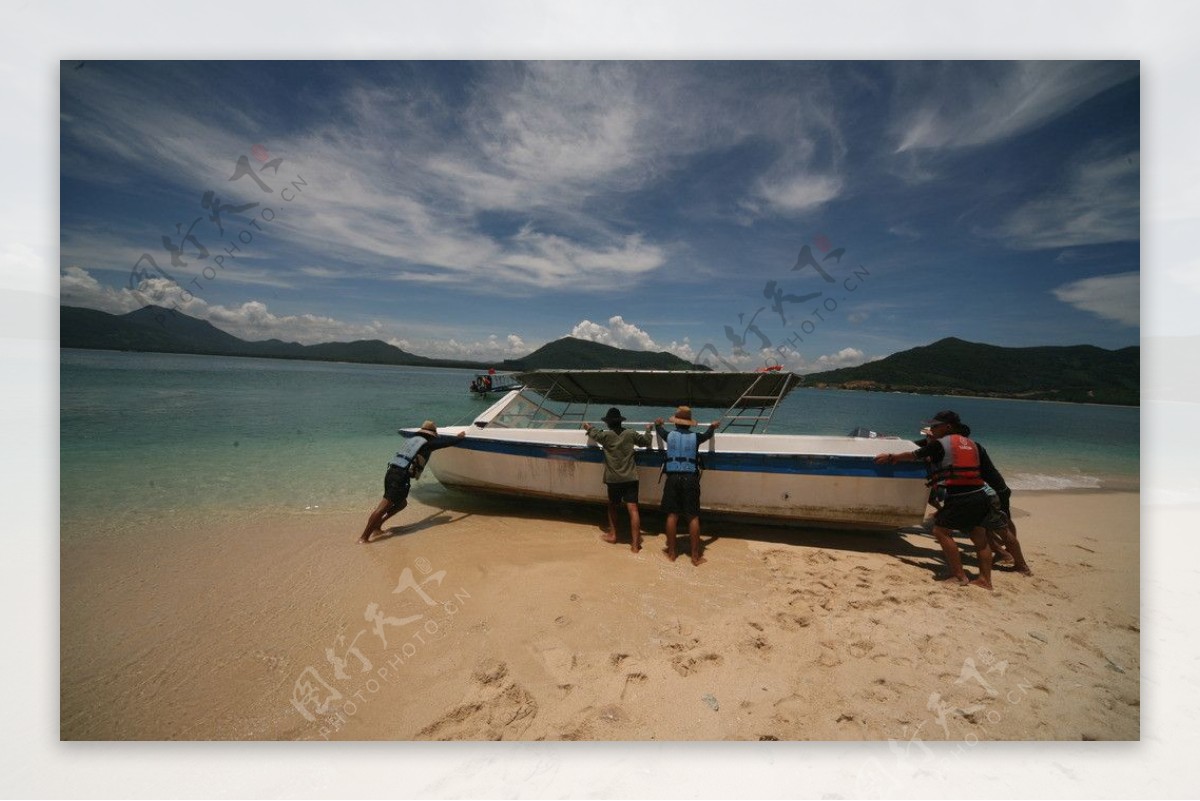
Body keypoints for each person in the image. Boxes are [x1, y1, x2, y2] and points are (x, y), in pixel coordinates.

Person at [875, 410, 995, 589]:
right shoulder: (973, 444)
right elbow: (987, 471)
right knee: (980, 538)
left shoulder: (941, 444)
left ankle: (959, 575)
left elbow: (915, 455)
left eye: (935, 426)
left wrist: (891, 457)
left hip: (960, 497)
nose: (932, 429)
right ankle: (985, 580)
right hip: (980, 494)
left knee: (940, 532)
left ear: (947, 427)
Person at [357, 420, 466, 544]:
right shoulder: (426, 444)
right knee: (383, 507)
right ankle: (364, 537)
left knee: (401, 504)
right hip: (400, 477)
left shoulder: (412, 440)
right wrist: (460, 437)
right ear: (431, 435)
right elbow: (446, 443)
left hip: (391, 473)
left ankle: (377, 526)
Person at [955, 422, 1032, 576]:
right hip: (989, 490)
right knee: (993, 525)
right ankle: (1007, 554)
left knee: (1002, 524)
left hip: (994, 491)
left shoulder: (970, 448)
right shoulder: (970, 446)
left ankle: (1010, 555)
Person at [583, 407, 654, 552]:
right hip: (630, 477)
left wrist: (588, 427)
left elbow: (593, 433)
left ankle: (613, 535)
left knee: (613, 506)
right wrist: (648, 429)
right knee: (633, 509)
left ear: (608, 423)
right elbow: (646, 442)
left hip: (613, 479)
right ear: (620, 421)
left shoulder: (605, 436)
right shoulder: (630, 433)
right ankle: (635, 545)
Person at [655, 406, 719, 566]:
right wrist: (712, 426)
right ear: (689, 423)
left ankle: (671, 553)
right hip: (690, 478)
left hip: (673, 478)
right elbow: (707, 435)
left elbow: (660, 430)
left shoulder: (669, 435)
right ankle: (695, 557)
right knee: (692, 516)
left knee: (672, 515)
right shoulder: (696, 437)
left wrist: (657, 424)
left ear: (676, 422)